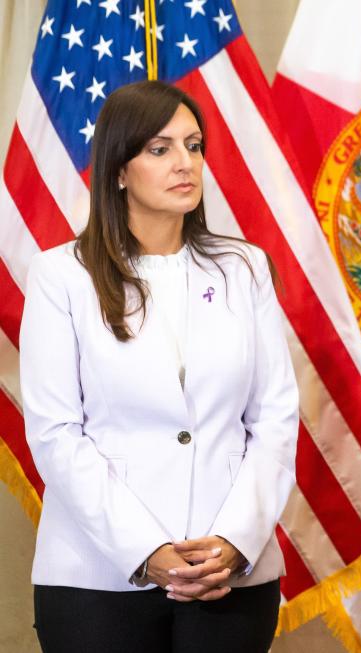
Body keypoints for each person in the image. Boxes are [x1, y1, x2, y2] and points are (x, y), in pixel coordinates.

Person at [20, 81, 298, 653]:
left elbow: (275, 419)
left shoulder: (244, 268)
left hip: (230, 574)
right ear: (118, 170)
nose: (185, 163)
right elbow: (55, 435)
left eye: (193, 146)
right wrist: (148, 552)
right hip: (96, 580)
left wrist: (234, 539)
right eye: (160, 148)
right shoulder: (60, 278)